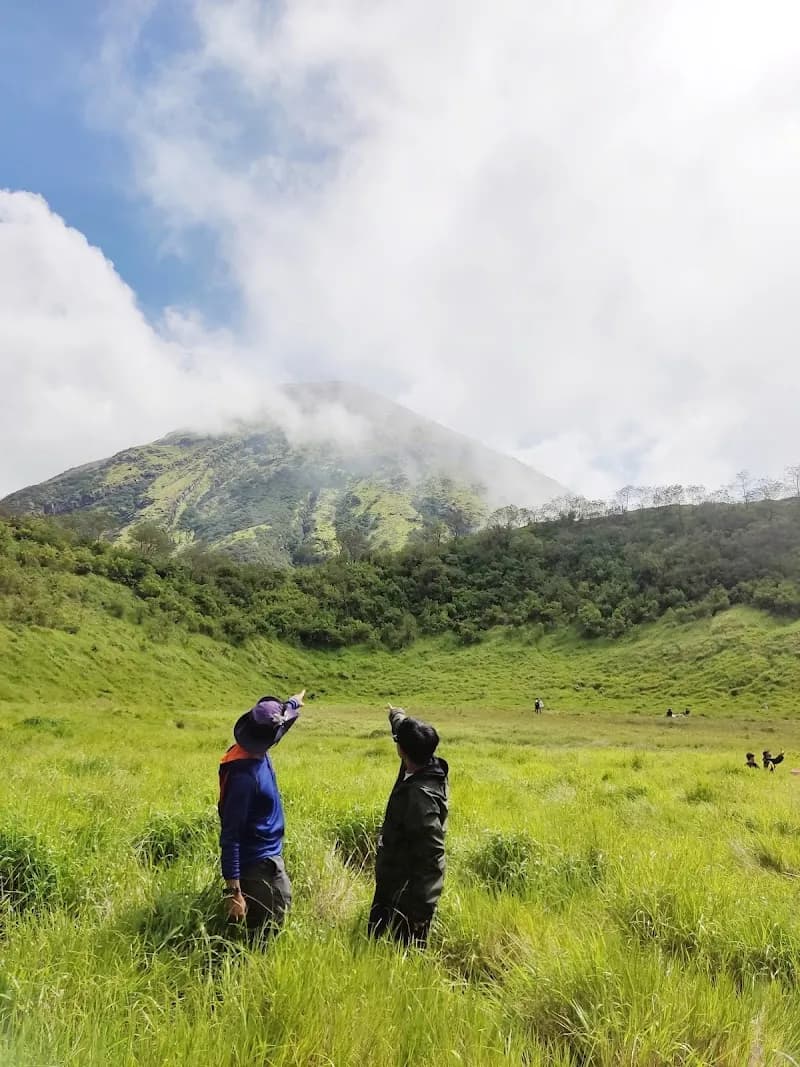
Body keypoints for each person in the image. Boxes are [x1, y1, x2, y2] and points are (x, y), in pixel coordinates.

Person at [218, 689, 305, 934]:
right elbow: (230, 836)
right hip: (259, 864)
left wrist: (294, 702)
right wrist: (233, 892)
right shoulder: (245, 778)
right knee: (271, 924)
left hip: (266, 854)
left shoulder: (252, 745)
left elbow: (284, 720)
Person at [368, 705, 449, 949]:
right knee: (374, 939)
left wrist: (422, 910)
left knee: (403, 950)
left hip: (408, 890)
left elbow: (432, 856)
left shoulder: (420, 800)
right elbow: (401, 727)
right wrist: (396, 713)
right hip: (391, 874)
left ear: (401, 750)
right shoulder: (422, 762)